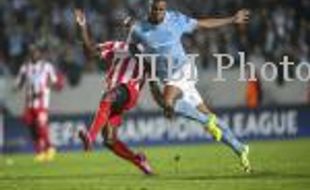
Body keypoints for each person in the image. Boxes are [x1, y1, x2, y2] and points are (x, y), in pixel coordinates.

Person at [128, 0, 252, 172]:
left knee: (168, 102)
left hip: (183, 70)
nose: (157, 12)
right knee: (180, 110)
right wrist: (144, 62)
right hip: (167, 77)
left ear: (166, 9)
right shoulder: (139, 28)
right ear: (149, 8)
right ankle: (240, 148)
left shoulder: (176, 20)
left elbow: (203, 23)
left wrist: (232, 19)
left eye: (161, 9)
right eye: (154, 9)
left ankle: (207, 122)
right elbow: (131, 46)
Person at [75, 9, 155, 175]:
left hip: (129, 91)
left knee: (108, 97)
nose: (131, 32)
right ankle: (139, 160)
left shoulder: (148, 51)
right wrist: (83, 27)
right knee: (110, 140)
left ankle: (90, 137)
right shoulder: (117, 46)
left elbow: (150, 67)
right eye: (129, 29)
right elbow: (90, 53)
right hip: (114, 93)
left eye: (134, 29)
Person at [14, 45, 63, 162]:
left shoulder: (47, 67)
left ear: (40, 54)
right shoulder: (25, 67)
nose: (34, 54)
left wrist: (52, 87)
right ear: (29, 54)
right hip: (29, 104)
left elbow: (56, 82)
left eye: (36, 52)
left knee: (41, 126)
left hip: (42, 104)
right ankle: (39, 152)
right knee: (32, 128)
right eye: (31, 52)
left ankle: (50, 147)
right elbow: (19, 82)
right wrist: (16, 87)